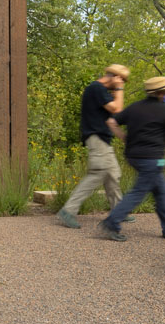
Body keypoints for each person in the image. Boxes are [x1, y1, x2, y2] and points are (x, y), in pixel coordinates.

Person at [98, 76, 165, 241]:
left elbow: (111, 122)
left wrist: (125, 138)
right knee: (138, 192)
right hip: (152, 159)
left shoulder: (135, 107)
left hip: (133, 156)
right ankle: (111, 223)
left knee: (163, 192)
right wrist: (161, 147)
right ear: (161, 93)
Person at [56, 64, 132, 229]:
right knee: (97, 174)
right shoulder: (96, 88)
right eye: (122, 80)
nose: (122, 84)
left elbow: (112, 116)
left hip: (102, 139)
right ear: (114, 77)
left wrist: (123, 137)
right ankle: (68, 211)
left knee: (113, 174)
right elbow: (117, 109)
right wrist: (119, 89)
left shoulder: (102, 91)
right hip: (96, 138)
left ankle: (119, 211)